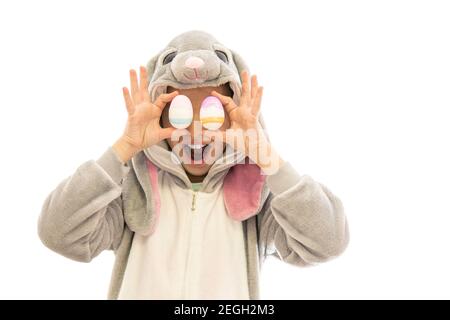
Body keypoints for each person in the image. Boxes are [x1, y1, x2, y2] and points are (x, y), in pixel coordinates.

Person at [38, 30, 349, 299]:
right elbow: (57, 233)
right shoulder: (133, 193)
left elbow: (329, 242)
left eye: (214, 114)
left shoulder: (255, 199)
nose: (197, 130)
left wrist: (266, 157)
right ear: (158, 118)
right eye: (180, 113)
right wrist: (124, 149)